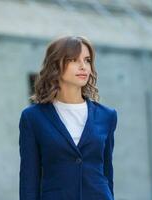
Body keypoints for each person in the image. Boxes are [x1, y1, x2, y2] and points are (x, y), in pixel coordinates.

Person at [19, 35, 118, 200]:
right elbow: (29, 179)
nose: (83, 66)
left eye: (87, 60)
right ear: (55, 65)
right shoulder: (33, 118)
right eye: (74, 60)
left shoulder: (107, 116)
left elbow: (107, 173)